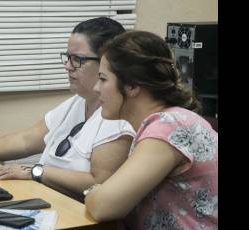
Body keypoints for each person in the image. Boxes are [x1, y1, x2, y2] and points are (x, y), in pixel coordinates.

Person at [0, 17, 135, 200]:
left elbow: (99, 183)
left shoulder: (118, 118)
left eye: (78, 59)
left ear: (106, 64)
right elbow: (26, 139)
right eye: (68, 57)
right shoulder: (78, 101)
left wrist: (36, 171)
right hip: (46, 198)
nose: (67, 66)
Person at [85, 30, 218, 229]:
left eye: (103, 79)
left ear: (132, 86)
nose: (96, 88)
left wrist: (94, 192)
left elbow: (103, 206)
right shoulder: (169, 120)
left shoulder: (168, 127)